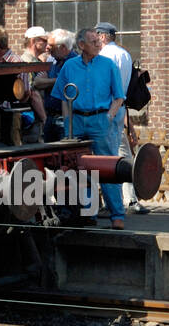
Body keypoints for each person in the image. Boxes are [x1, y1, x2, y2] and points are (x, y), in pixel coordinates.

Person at [53, 28, 126, 228]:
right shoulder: (69, 66)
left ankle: (117, 215)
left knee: (108, 168)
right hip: (76, 121)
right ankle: (89, 213)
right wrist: (67, 122)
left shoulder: (108, 65)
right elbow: (63, 96)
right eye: (93, 41)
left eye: (98, 41)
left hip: (100, 120)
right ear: (82, 45)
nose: (98, 44)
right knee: (80, 169)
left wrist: (108, 117)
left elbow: (119, 97)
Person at [96, 22, 146, 215]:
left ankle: (112, 203)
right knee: (123, 154)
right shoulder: (124, 54)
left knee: (107, 157)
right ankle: (130, 199)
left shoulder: (104, 56)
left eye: (96, 36)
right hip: (120, 110)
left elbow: (105, 86)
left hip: (107, 110)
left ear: (102, 36)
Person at [39, 28, 76, 141]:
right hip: (50, 117)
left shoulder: (75, 63)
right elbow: (37, 83)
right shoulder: (52, 61)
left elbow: (69, 87)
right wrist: (59, 80)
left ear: (63, 47)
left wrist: (50, 81)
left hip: (66, 117)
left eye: (51, 45)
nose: (47, 48)